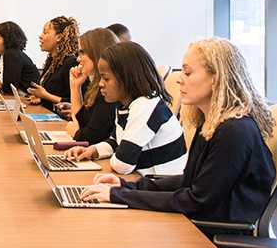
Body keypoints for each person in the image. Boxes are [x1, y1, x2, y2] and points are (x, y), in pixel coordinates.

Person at [79, 38, 275, 227]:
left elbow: (195, 200)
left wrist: (119, 195)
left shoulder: (234, 132)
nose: (180, 79)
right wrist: (125, 187)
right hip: (196, 225)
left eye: (188, 73)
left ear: (216, 78)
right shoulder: (212, 123)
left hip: (213, 242)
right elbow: (190, 181)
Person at [66, 40, 187, 176]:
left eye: (106, 79)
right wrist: (93, 150)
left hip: (163, 185)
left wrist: (117, 156)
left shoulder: (145, 106)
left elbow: (123, 164)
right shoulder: (126, 105)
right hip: (145, 180)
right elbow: (115, 141)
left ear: (127, 78)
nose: (100, 84)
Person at [67, 27, 119, 143]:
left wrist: (76, 133)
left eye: (82, 53)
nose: (78, 59)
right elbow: (80, 122)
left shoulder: (110, 89)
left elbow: (92, 137)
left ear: (96, 53)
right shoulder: (95, 84)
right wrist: (75, 87)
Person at [27, 16, 80, 111]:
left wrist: (45, 96)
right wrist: (40, 98)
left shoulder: (71, 62)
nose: (40, 36)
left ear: (59, 37)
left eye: (45, 32)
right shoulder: (52, 60)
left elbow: (74, 102)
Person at [0, 21, 40, 94]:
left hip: (26, 98)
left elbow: (9, 89)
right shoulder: (0, 54)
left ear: (8, 39)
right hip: (15, 97)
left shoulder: (12, 54)